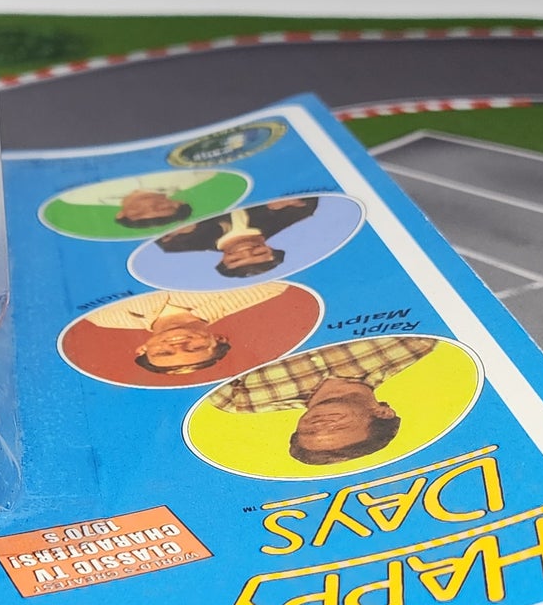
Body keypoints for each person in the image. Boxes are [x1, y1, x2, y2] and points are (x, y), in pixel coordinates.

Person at [206, 336, 440, 465]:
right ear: (382, 413)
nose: (318, 425)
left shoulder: (238, 400)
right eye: (336, 427)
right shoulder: (413, 344)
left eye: (308, 432)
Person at [84, 285, 295, 376]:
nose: (178, 345)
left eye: (163, 353)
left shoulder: (102, 315)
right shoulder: (265, 289)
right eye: (194, 348)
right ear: (219, 338)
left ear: (142, 349)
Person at [155, 195, 320, 277]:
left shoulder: (175, 242)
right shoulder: (297, 211)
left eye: (236, 259)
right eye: (259, 253)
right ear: (271, 249)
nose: (246, 251)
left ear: (223, 261)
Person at [114, 186, 190, 228]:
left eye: (139, 212)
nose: (148, 204)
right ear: (178, 202)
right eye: (162, 208)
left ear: (120, 214)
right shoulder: (181, 179)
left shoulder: (108, 189)